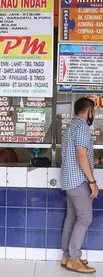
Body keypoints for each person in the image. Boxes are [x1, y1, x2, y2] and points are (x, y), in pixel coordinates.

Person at [61, 97, 100, 274]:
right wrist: (92, 182)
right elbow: (81, 156)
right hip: (79, 181)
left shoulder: (70, 127)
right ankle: (74, 259)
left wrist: (97, 160)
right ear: (89, 111)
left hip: (69, 180)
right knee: (84, 219)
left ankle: (67, 256)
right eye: (94, 111)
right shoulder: (83, 127)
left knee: (72, 217)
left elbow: (78, 155)